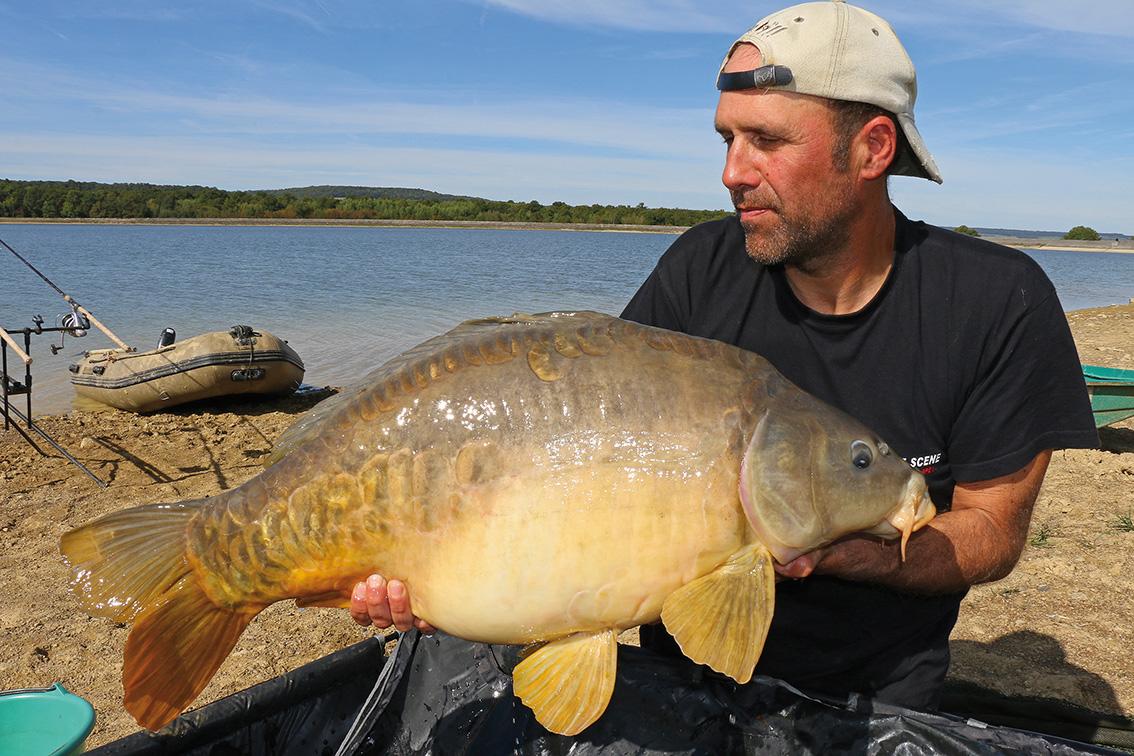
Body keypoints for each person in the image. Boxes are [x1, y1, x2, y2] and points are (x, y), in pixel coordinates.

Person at [349, 0, 1098, 712]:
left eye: (766, 141)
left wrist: (842, 552)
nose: (732, 172)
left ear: (872, 148)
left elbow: (991, 530)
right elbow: (584, 449)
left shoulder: (997, 300)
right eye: (727, 140)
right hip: (677, 677)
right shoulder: (698, 269)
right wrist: (442, 566)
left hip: (881, 688)